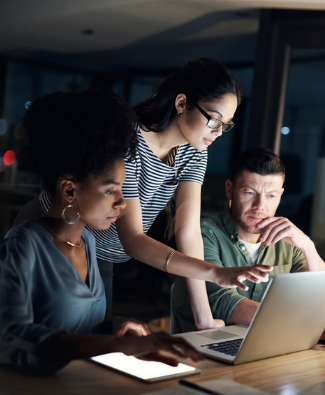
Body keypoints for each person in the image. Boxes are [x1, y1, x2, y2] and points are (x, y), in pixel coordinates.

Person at [13, 58, 272, 327]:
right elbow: (133, 238)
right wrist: (215, 273)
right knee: (42, 331)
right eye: (214, 120)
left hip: (102, 250)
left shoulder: (195, 152)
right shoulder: (127, 139)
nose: (219, 132)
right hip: (60, 230)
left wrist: (204, 318)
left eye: (226, 124)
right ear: (182, 103)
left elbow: (189, 232)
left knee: (94, 336)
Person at [0, 90, 204, 375]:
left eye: (121, 189)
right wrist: (115, 346)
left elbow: (72, 326)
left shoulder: (87, 242)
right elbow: (10, 339)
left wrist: (113, 329)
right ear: (69, 189)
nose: (122, 203)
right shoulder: (22, 245)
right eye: (110, 191)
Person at [172, 147, 325, 334]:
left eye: (271, 195)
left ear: (280, 196)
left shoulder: (288, 242)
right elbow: (222, 301)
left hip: (267, 348)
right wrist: (299, 322)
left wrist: (308, 246)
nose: (260, 206)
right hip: (202, 353)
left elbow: (318, 295)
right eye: (250, 192)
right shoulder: (202, 235)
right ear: (230, 189)